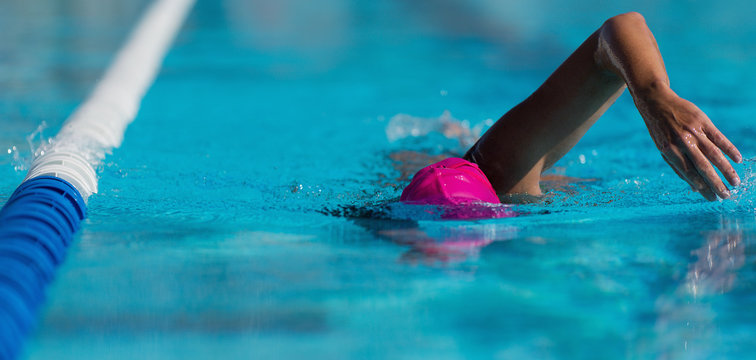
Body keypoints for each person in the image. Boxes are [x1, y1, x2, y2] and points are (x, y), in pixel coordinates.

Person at [401, 12, 742, 205]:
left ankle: (456, 138)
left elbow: (622, 27)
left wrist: (655, 97)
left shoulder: (502, 170)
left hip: (495, 165)